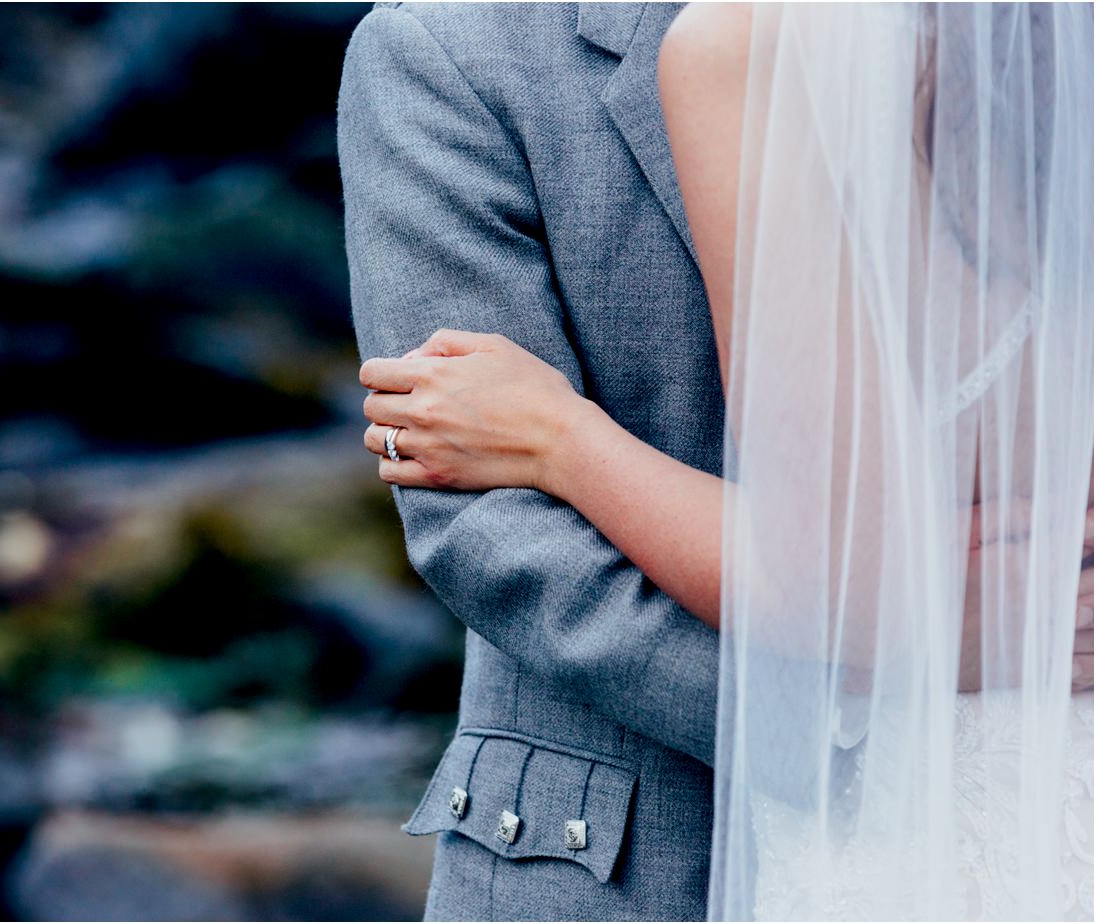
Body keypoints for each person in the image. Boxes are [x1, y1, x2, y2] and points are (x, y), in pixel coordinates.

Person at [352, 3, 1092, 919]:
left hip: (1012, 793)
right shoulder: (447, 50)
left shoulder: (1004, 32)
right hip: (614, 853)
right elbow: (486, 527)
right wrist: (864, 698)